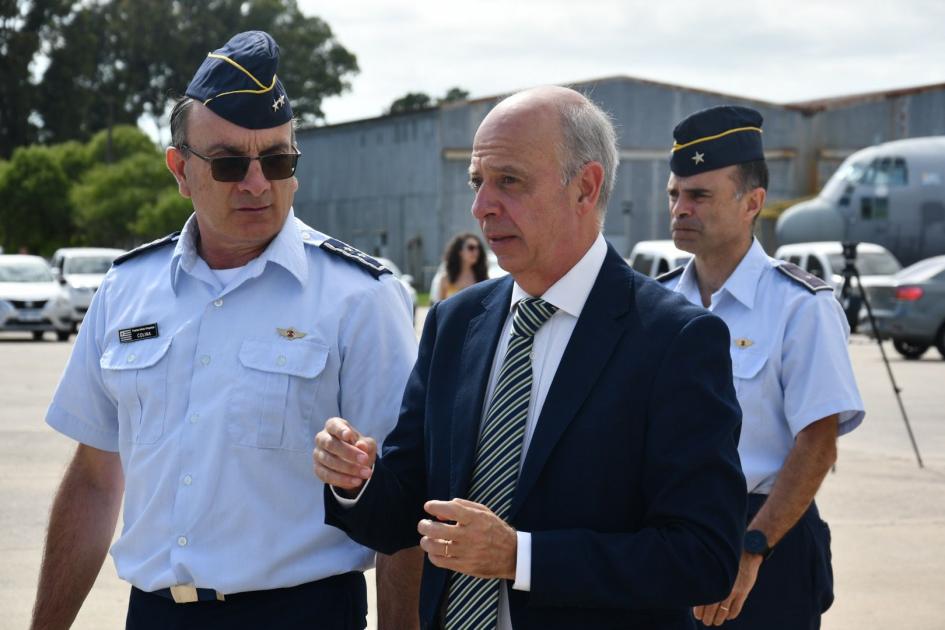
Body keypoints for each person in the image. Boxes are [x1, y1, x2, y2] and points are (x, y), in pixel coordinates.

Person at [314, 85, 747, 630]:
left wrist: (520, 557)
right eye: (478, 182)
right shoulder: (455, 323)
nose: (481, 207)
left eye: (509, 181)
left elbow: (702, 558)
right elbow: (410, 513)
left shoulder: (674, 340)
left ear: (585, 188)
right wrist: (357, 481)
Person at [30, 31, 418, 630]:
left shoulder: (361, 298)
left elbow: (403, 497)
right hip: (154, 614)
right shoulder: (127, 289)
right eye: (232, 163)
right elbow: (94, 477)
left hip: (300, 614)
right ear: (180, 169)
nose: (258, 183)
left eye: (278, 160)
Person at [659, 105, 865, 629]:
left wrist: (751, 550)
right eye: (674, 194)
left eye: (699, 195)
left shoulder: (801, 306)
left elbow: (816, 444)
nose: (681, 208)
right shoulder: (656, 305)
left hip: (766, 540)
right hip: (668, 534)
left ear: (753, 202)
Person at [429, 233, 489, 303]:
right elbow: (440, 309)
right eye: (471, 248)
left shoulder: (484, 278)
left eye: (478, 248)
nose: (476, 252)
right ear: (460, 252)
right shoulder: (445, 279)